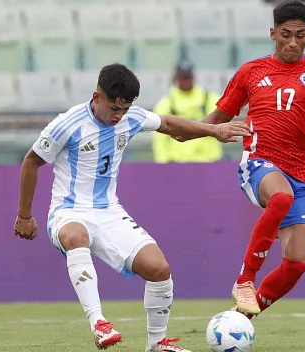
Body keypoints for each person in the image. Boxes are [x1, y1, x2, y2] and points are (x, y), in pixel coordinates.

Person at [13, 63, 250, 351]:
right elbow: (32, 160)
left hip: (109, 212)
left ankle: (157, 344)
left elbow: (170, 124)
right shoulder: (68, 123)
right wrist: (25, 215)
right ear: (96, 97)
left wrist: (213, 130)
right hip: (68, 212)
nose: (119, 115)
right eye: (114, 108)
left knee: (159, 268)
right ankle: (99, 323)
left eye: (125, 109)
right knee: (77, 238)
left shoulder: (130, 117)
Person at [178, 0, 305, 318]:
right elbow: (221, 115)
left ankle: (242, 317)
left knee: (297, 263)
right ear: (273, 33)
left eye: (300, 35)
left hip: (302, 173)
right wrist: (189, 130)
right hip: (259, 163)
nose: (293, 42)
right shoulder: (252, 72)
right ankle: (244, 280)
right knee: (281, 197)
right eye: (286, 34)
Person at [152, 60, 223, 163]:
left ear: (193, 77)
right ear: (176, 78)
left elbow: (221, 123)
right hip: (178, 163)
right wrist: (162, 162)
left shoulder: (209, 98)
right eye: (183, 77)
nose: (186, 81)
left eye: (188, 77)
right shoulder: (166, 103)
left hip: (208, 162)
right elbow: (159, 138)